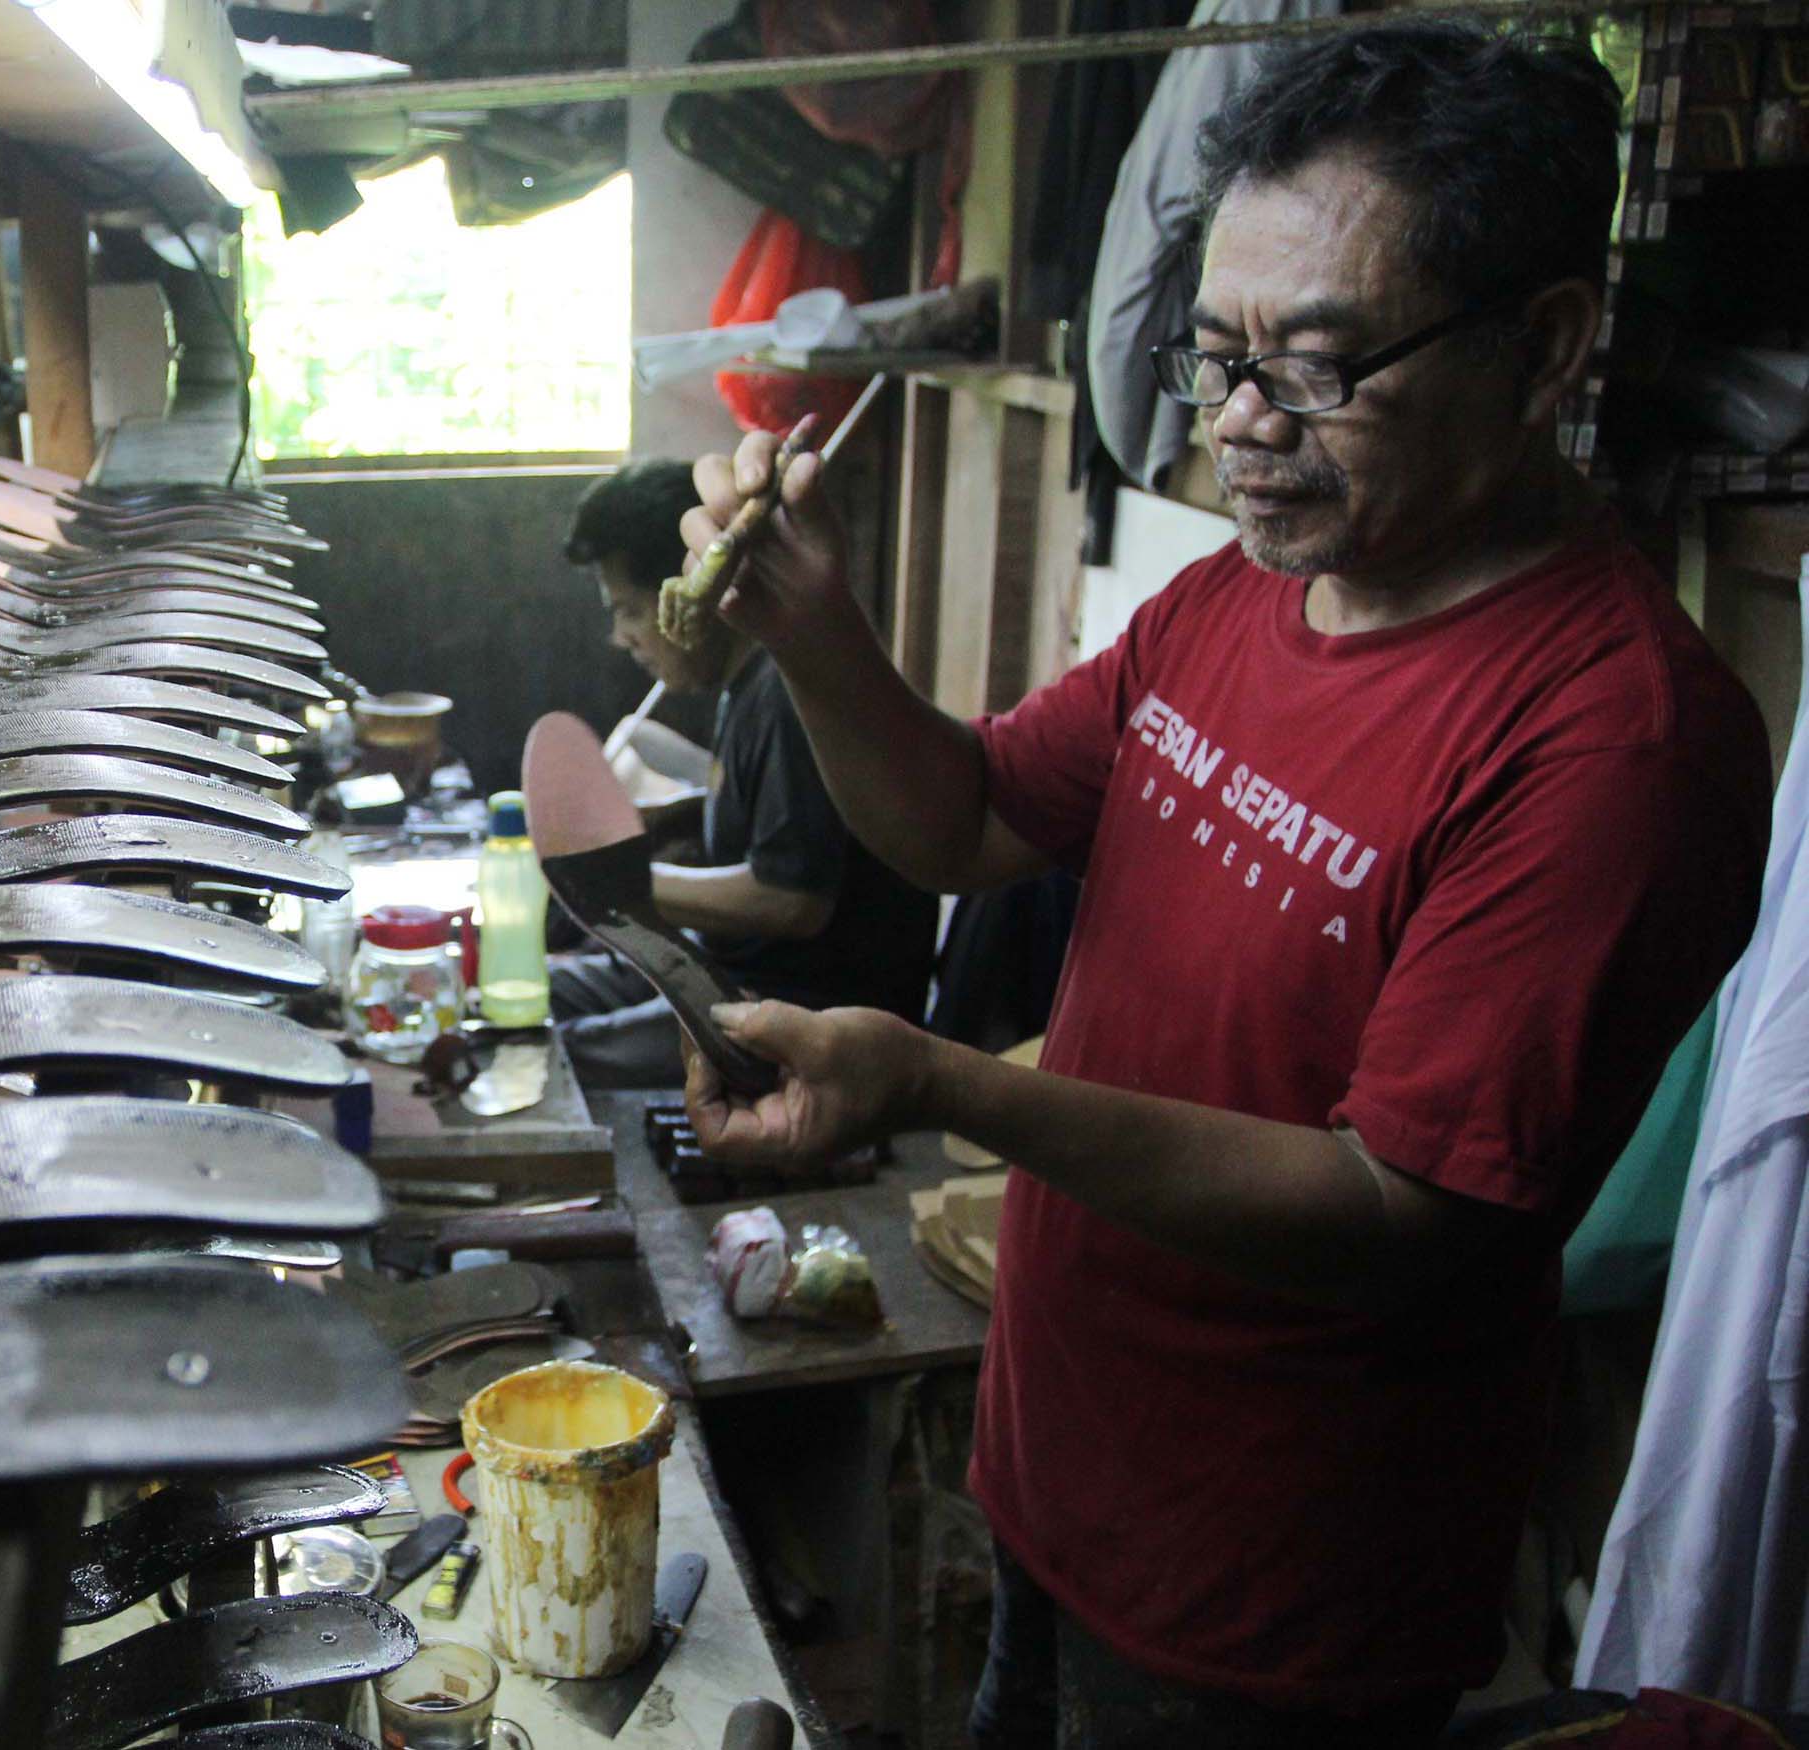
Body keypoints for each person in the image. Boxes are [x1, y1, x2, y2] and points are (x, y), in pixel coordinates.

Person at [679, 23, 1772, 1746]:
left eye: (1321, 368)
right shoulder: (1247, 593)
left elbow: (1395, 1218)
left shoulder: (1616, 742)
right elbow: (965, 823)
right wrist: (816, 635)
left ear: (1546, 347)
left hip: (1273, 1598)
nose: (1245, 430)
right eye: (1217, 359)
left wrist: (935, 1079)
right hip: (1056, 1464)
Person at [551, 459, 936, 1088]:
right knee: (528, 994)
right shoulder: (745, 681)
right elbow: (762, 811)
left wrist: (613, 881)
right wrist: (658, 824)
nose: (621, 638)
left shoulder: (789, 693)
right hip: (726, 970)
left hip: (802, 1016)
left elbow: (791, 901)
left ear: (687, 588)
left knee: (557, 1051)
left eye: (627, 610)